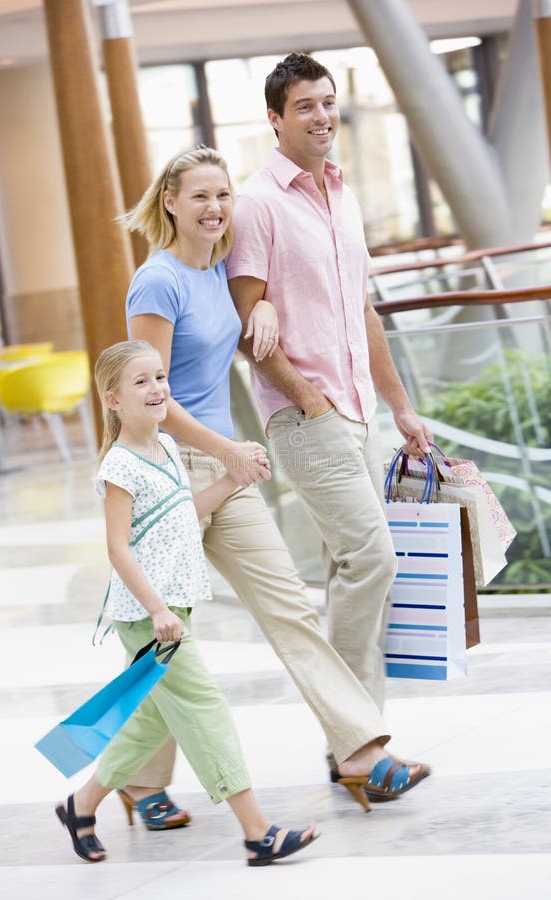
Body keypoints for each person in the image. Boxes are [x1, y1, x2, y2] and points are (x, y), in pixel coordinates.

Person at [114, 144, 429, 829]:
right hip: (170, 474)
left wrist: (267, 314)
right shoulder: (157, 281)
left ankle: (357, 749)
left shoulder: (219, 270)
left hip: (230, 475)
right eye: (199, 195)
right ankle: (137, 781)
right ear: (169, 201)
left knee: (288, 607)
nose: (215, 207)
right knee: (170, 631)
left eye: (222, 195)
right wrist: (228, 451)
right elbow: (150, 395)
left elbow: (253, 302)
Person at [225, 52, 434, 760]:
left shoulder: (340, 194)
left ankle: (356, 745)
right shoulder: (256, 203)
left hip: (357, 412)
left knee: (355, 567)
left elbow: (361, 310)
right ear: (275, 119)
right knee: (373, 558)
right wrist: (310, 400)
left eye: (327, 102)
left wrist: (399, 406)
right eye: (304, 106)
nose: (320, 116)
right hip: (303, 417)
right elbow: (248, 322)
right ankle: (355, 741)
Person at [55, 339, 317, 867]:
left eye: (159, 378)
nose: (157, 389)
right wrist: (157, 610)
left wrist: (231, 478)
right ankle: (256, 833)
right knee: (204, 707)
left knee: (153, 722)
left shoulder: (168, 448)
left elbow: (182, 515)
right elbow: (117, 546)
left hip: (175, 609)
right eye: (141, 382)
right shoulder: (119, 467)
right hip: (150, 617)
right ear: (113, 399)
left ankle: (81, 805)